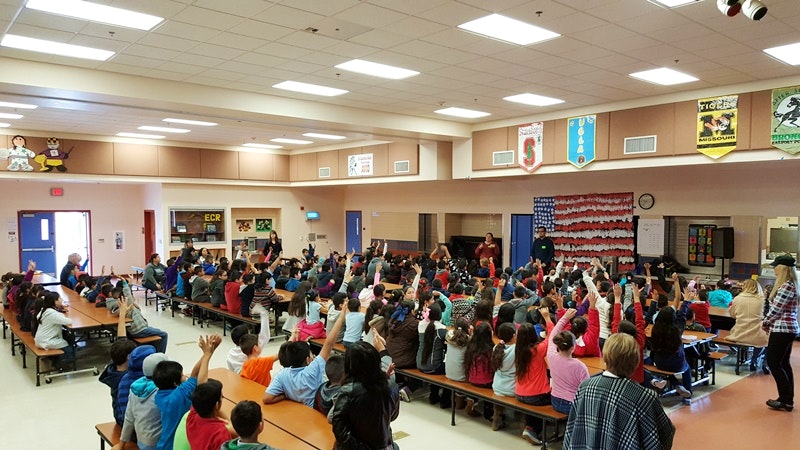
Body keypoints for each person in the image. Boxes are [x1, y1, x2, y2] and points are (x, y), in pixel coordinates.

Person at [563, 333, 675, 450]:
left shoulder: (585, 387)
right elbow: (664, 435)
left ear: (605, 357)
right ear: (636, 361)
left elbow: (572, 429)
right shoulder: (644, 397)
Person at [263, 306, 345, 406]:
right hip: (314, 411)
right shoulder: (312, 370)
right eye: (310, 354)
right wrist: (341, 317)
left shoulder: (283, 374)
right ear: (307, 360)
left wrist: (286, 395)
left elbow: (267, 398)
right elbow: (328, 344)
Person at [154, 333, 222, 449]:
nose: (185, 376)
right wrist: (208, 353)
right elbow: (200, 382)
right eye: (182, 376)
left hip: (163, 444)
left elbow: (194, 376)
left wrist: (208, 353)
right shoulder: (179, 396)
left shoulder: (160, 395)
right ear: (175, 383)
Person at [329, 341, 400, 450]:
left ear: (349, 365)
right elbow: (393, 416)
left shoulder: (348, 391)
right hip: (385, 445)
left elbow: (337, 426)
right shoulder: (392, 386)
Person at [762, 255, 799, 411]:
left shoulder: (786, 286)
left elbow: (777, 309)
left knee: (773, 362)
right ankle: (788, 399)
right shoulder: (793, 285)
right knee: (784, 363)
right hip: (789, 328)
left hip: (782, 329)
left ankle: (785, 399)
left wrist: (765, 322)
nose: (774, 269)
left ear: (783, 268)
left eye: (776, 266)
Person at [650, 275, 693, 403]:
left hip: (659, 361)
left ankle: (674, 384)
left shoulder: (655, 330)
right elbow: (683, 314)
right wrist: (686, 301)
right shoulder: (677, 329)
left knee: (655, 360)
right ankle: (687, 396)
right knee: (687, 369)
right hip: (677, 362)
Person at [114, 352, 168, 450]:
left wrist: (121, 443)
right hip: (159, 442)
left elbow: (129, 417)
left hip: (142, 441)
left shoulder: (135, 386)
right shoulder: (161, 390)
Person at [546, 308, 589, 416]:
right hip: (572, 404)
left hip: (555, 400)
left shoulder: (551, 356)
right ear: (573, 347)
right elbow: (587, 390)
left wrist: (565, 318)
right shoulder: (580, 366)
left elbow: (552, 335)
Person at [727, 279, 769, 372]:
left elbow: (733, 315)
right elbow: (766, 316)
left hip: (739, 334)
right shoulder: (762, 300)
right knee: (769, 340)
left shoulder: (737, 298)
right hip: (757, 335)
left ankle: (752, 360)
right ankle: (759, 361)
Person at [185, 379, 236, 450]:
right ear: (217, 405)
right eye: (222, 397)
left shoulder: (192, 416)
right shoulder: (221, 434)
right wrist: (227, 423)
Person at [98, 338, 137, 426]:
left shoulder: (112, 369)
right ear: (129, 357)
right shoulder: (125, 379)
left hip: (118, 414)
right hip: (124, 420)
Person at [33, 291, 75, 369]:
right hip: (47, 341)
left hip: (40, 339)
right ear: (55, 301)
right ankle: (57, 364)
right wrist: (61, 314)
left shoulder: (44, 310)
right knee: (69, 348)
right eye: (59, 298)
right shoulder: (51, 313)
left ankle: (53, 359)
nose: (61, 300)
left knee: (66, 337)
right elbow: (68, 321)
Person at [240, 313, 277, 386]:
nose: (261, 345)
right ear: (255, 348)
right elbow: (280, 354)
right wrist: (292, 337)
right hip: (263, 392)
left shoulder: (245, 365)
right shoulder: (260, 362)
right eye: (259, 344)